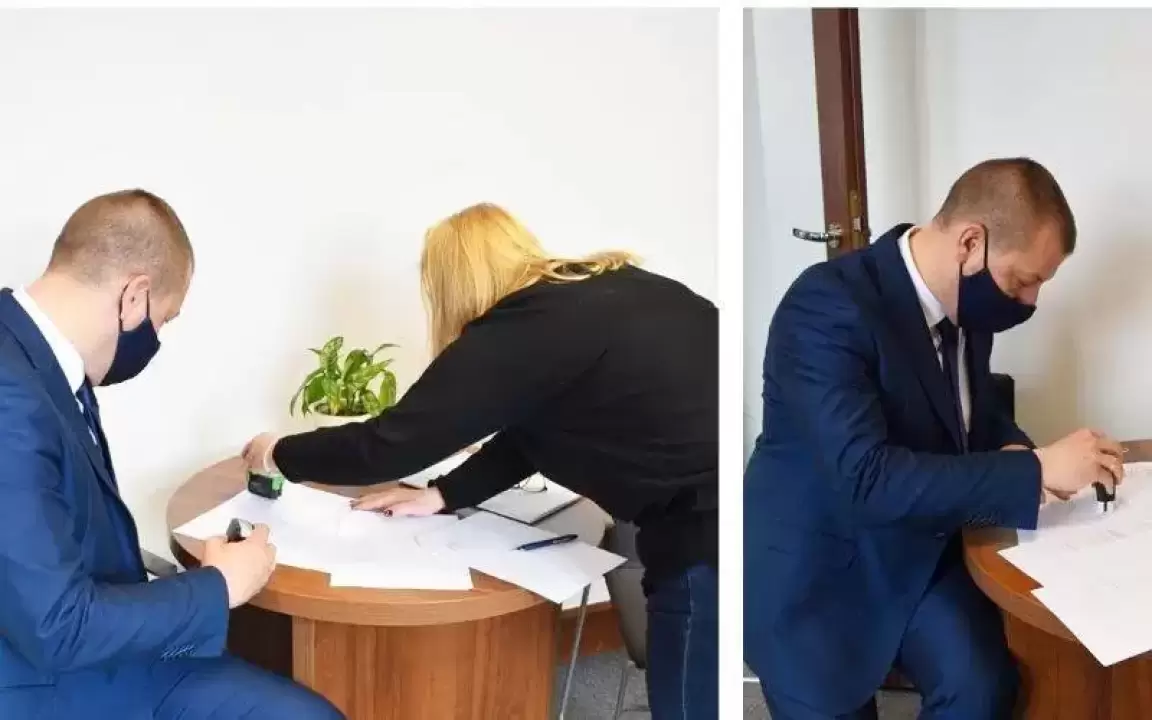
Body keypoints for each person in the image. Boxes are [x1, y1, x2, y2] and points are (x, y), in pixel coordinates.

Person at [241, 202, 718, 719]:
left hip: (701, 533)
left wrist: (278, 453)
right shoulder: (606, 290)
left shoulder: (524, 327)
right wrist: (444, 494)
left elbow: (390, 445)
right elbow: (534, 432)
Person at [744, 158, 1125, 720]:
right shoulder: (825, 306)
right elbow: (867, 479)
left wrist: (1016, 448)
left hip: (918, 549)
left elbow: (976, 410)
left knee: (984, 689)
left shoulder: (967, 309)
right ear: (971, 243)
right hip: (817, 568)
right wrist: (1039, 470)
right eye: (1023, 281)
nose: (1030, 302)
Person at [0, 190, 343, 719]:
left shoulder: (39, 358)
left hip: (84, 650)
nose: (156, 336)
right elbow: (57, 627)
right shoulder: (12, 396)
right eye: (164, 319)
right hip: (44, 682)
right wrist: (217, 587)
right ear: (134, 297)